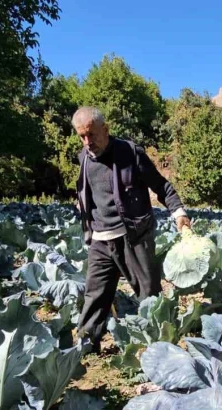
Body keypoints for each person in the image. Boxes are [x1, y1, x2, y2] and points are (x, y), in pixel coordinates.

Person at [71, 106, 191, 352]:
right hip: (101, 239)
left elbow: (161, 186)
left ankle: (162, 348)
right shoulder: (84, 158)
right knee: (94, 295)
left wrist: (179, 213)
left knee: (149, 295)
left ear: (105, 129)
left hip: (133, 236)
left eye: (91, 134)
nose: (87, 141)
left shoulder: (129, 153)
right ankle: (85, 346)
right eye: (81, 136)